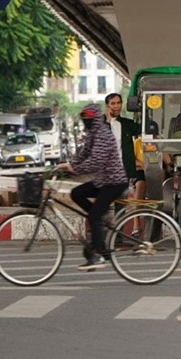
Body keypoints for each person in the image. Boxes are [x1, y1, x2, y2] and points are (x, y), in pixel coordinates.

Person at [57, 104, 128, 271]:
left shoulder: (103, 134)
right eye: (84, 119)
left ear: (95, 118)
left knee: (94, 216)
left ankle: (99, 254)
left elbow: (96, 162)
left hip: (114, 182)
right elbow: (83, 155)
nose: (86, 121)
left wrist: (74, 169)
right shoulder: (91, 135)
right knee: (77, 193)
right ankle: (99, 219)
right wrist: (68, 166)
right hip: (102, 182)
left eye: (89, 118)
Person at [104, 93, 144, 208]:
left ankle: (118, 225)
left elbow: (144, 128)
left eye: (118, 103)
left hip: (122, 169)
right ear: (107, 106)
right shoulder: (100, 123)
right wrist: (107, 121)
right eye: (113, 103)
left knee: (120, 202)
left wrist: (144, 106)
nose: (116, 106)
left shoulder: (127, 124)